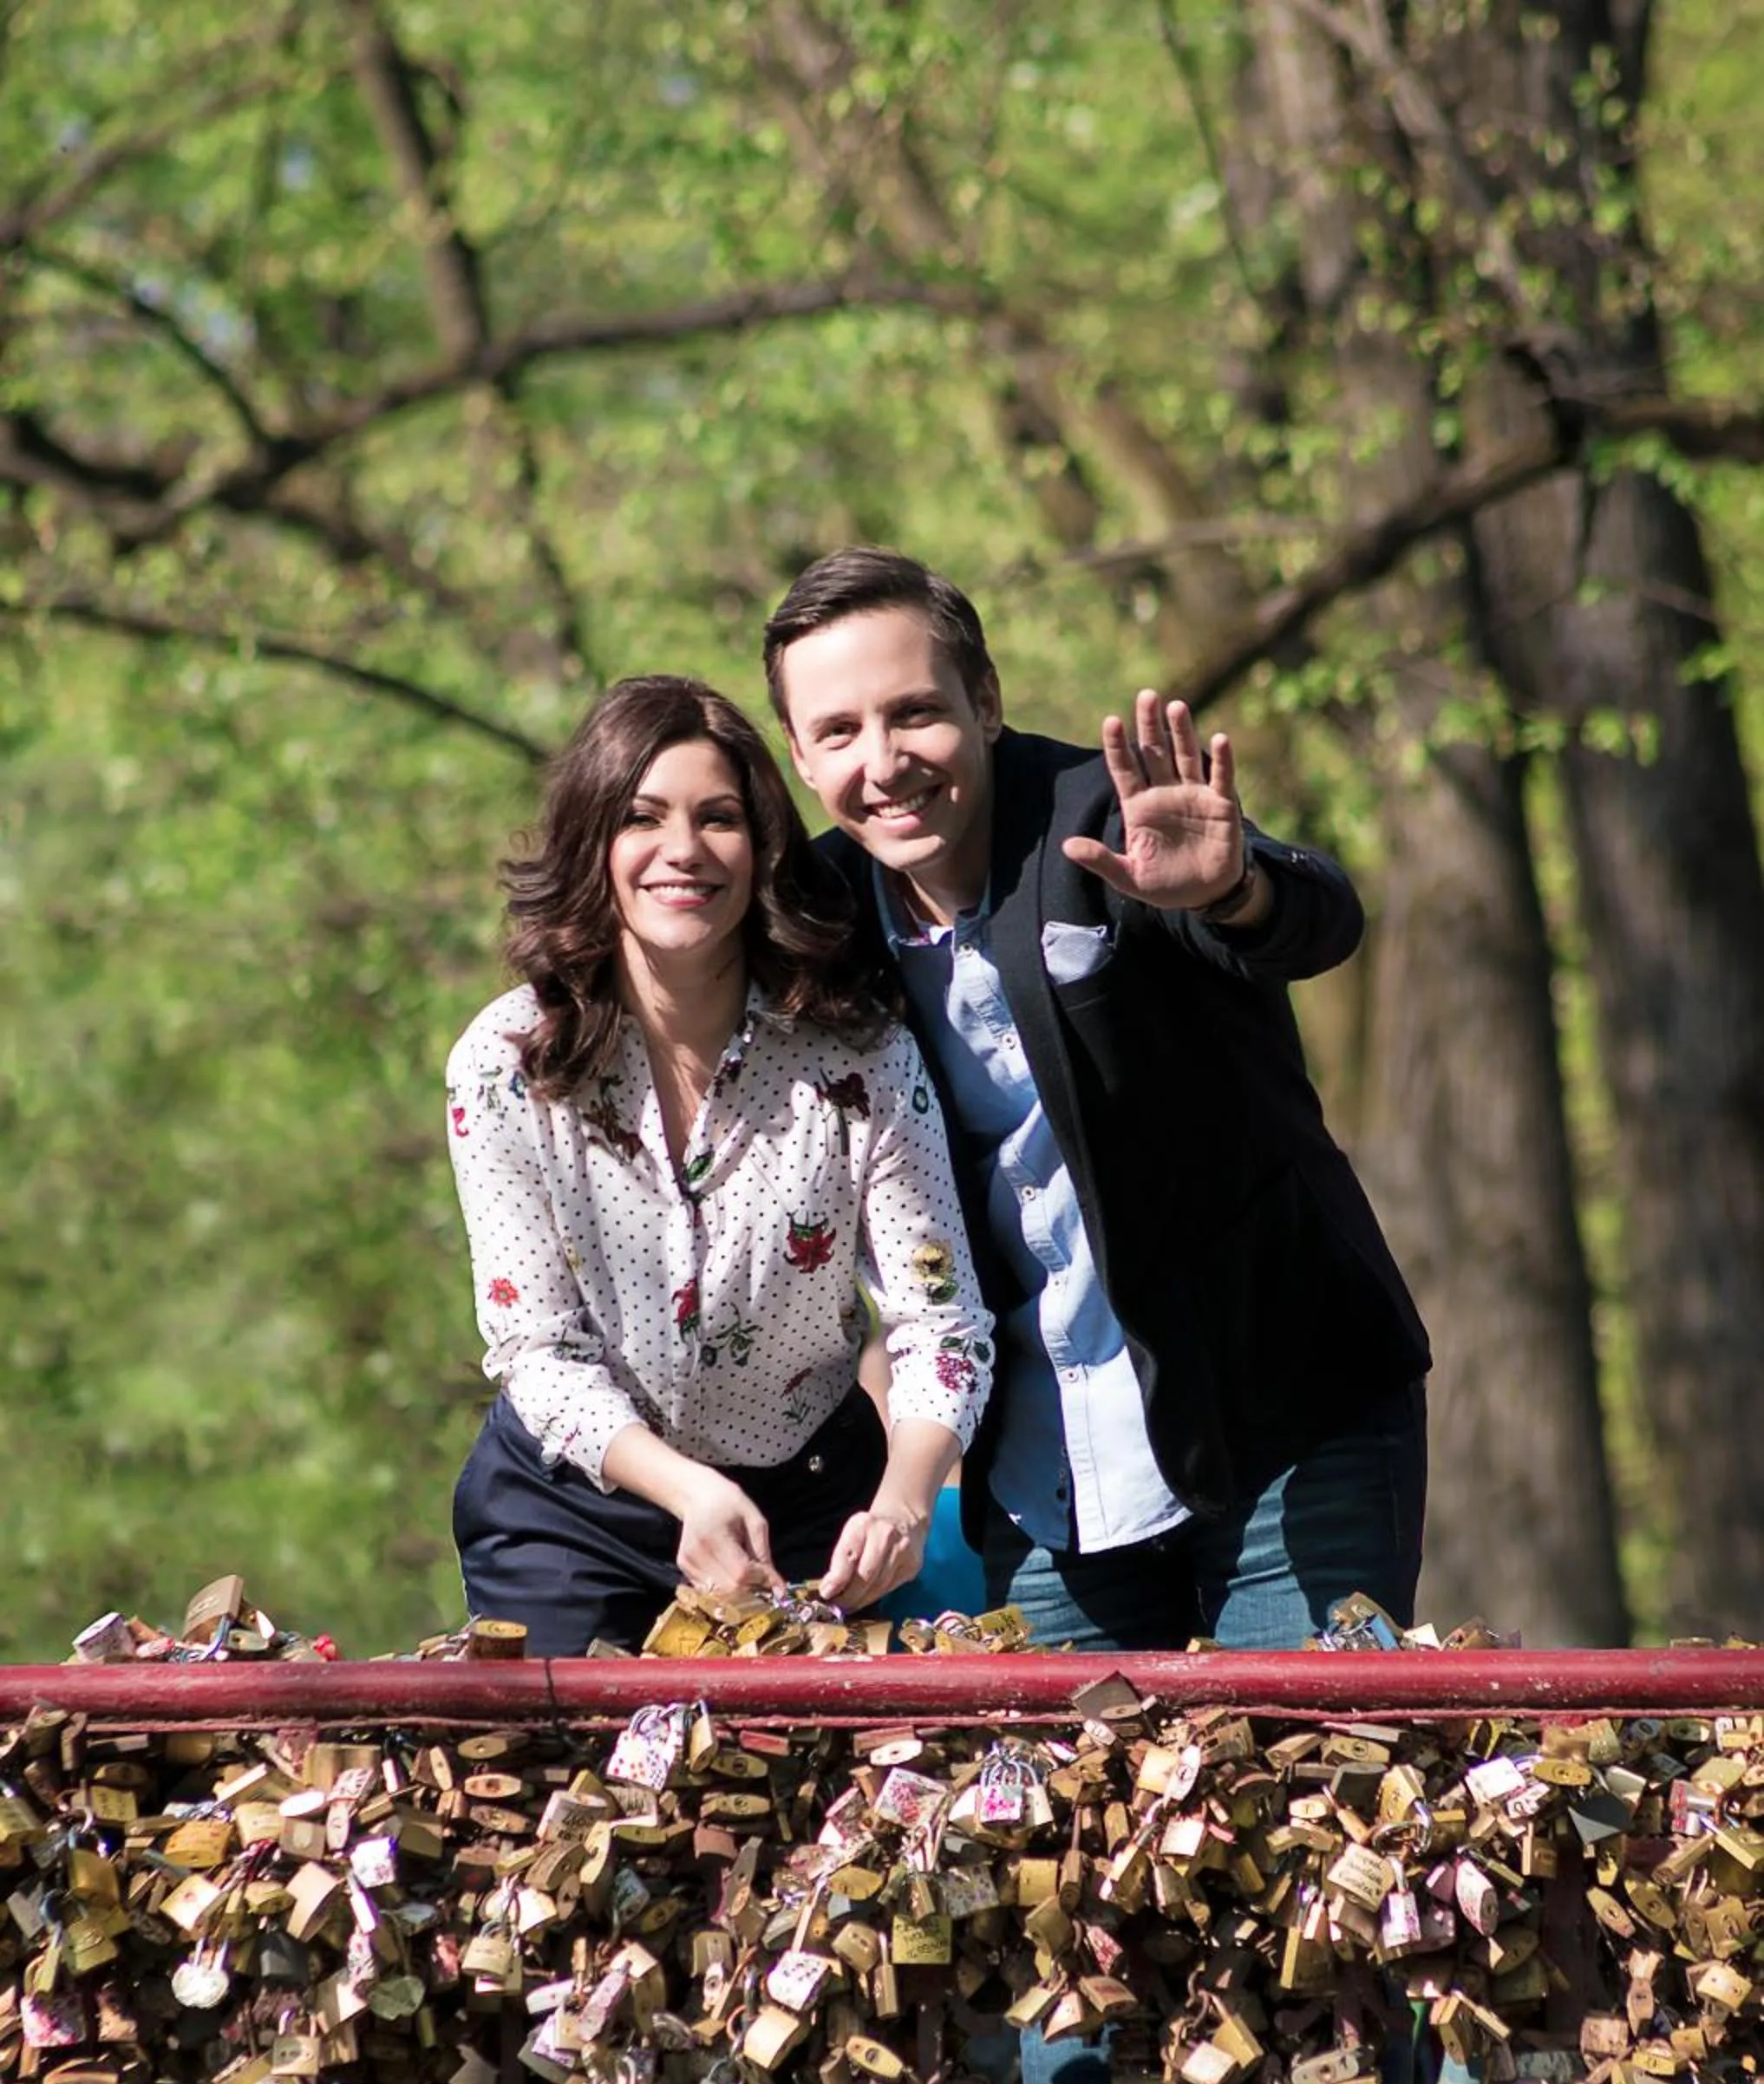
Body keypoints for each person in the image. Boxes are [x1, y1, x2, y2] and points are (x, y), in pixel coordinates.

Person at [762, 548, 1430, 1659]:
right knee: (1072, 1821)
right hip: (1046, 1480)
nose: (883, 763)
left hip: (1281, 1422)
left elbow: (1320, 921)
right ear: (798, 752)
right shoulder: (820, 924)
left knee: (1308, 1787)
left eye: (915, 713)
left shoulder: (1105, 819)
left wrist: (1235, 890)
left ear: (986, 700)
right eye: (838, 733)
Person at [445, 673, 994, 1658]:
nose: (683, 851)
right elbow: (537, 1351)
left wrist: (906, 1502)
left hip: (815, 1506)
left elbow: (940, 1322)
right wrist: (689, 1491)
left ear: (765, 847)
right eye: (642, 818)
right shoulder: (504, 1063)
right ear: (591, 845)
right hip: (576, 1511)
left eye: (720, 818)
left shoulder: (862, 1058)